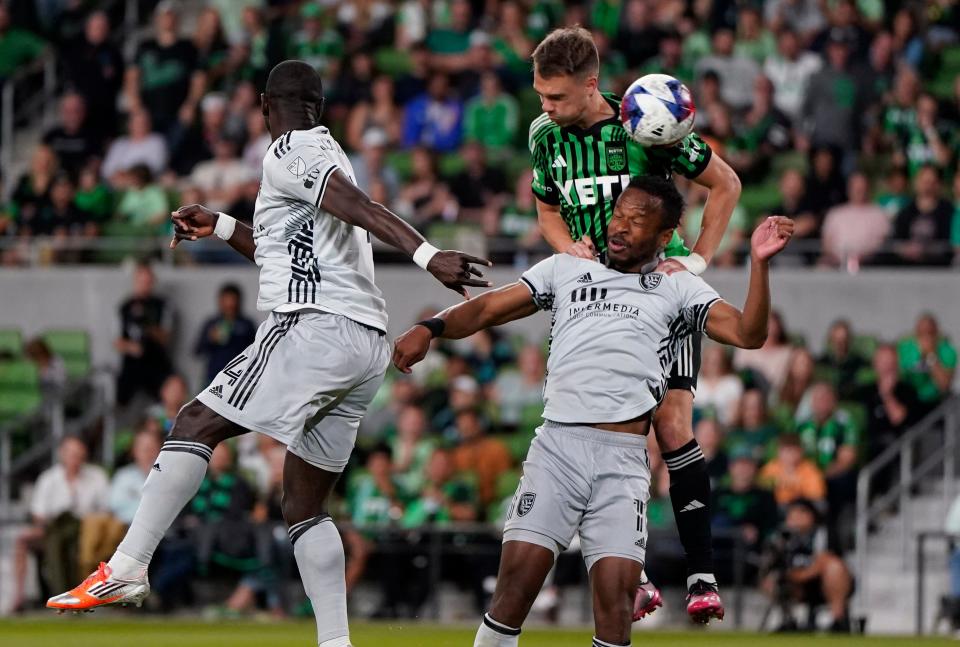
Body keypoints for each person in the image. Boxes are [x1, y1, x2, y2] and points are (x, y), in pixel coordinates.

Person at [49, 61, 489, 647]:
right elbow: (282, 251)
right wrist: (222, 224)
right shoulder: (326, 149)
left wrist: (427, 255)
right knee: (303, 505)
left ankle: (127, 567)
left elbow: (359, 206)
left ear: (263, 106)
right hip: (362, 347)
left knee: (192, 421)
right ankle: (336, 642)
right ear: (322, 105)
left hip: (314, 329)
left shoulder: (289, 149)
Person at [394, 176, 794, 643]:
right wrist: (431, 326)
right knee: (511, 597)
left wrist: (759, 266)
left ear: (665, 237)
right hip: (557, 451)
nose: (619, 226)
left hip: (622, 463)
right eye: (618, 214)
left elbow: (749, 334)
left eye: (637, 220)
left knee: (615, 613)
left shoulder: (677, 285)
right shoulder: (566, 268)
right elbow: (488, 310)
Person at [526, 26, 743, 621]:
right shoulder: (544, 135)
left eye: (557, 98)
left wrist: (696, 258)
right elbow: (547, 208)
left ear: (592, 85)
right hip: (589, 302)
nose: (545, 109)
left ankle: (701, 576)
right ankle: (636, 572)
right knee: (596, 428)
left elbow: (725, 184)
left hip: (655, 294)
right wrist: (567, 245)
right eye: (541, 96)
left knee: (671, 425)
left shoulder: (648, 121)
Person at [14, 437, 109, 611]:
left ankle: (66, 594)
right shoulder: (49, 479)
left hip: (86, 528)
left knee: (61, 541)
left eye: (79, 454)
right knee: (33, 539)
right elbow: (39, 513)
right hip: (54, 527)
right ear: (62, 455)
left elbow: (105, 510)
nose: (76, 458)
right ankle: (18, 598)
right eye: (72, 454)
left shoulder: (96, 476)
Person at [760, 498, 853, 632]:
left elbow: (829, 560)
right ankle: (789, 620)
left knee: (835, 568)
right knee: (771, 580)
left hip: (824, 583)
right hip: (795, 585)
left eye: (801, 514)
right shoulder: (781, 537)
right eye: (793, 515)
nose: (796, 519)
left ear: (812, 516)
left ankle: (838, 619)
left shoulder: (824, 533)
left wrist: (803, 574)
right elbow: (773, 564)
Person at [114, 262, 174, 406]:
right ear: (135, 281)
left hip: (157, 362)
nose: (145, 285)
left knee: (171, 394)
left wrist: (148, 326)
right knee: (120, 400)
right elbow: (117, 341)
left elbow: (166, 338)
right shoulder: (124, 307)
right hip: (132, 365)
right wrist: (132, 347)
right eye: (141, 281)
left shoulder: (162, 305)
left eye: (148, 281)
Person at [194, 283, 257, 383]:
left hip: (240, 378)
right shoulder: (211, 323)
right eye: (226, 300)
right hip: (214, 378)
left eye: (232, 300)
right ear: (220, 301)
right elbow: (197, 351)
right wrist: (210, 339)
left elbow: (257, 352)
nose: (229, 304)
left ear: (239, 301)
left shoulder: (247, 324)